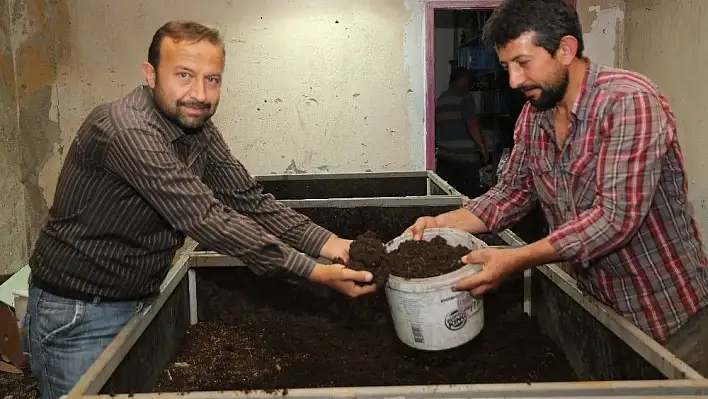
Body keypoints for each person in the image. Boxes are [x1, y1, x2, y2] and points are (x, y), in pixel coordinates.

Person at [21, 20, 376, 399]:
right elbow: (206, 219)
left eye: (212, 79)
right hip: (79, 316)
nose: (200, 94)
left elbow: (247, 199)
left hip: (136, 301)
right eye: (184, 75)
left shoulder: (198, 130)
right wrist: (313, 271)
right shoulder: (127, 130)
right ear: (150, 74)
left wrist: (333, 243)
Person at [406, 0, 708, 375]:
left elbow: (615, 219)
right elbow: (511, 193)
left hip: (669, 316)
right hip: (599, 309)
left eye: (523, 63)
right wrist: (442, 223)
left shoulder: (628, 101)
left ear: (565, 50)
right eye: (506, 68)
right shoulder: (535, 117)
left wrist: (516, 259)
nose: (514, 81)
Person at [435, 67, 488, 198]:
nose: (469, 84)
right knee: (469, 200)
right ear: (462, 79)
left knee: (448, 200)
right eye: (467, 80)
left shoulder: (440, 100)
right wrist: (482, 147)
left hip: (444, 159)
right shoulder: (465, 97)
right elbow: (471, 124)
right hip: (464, 160)